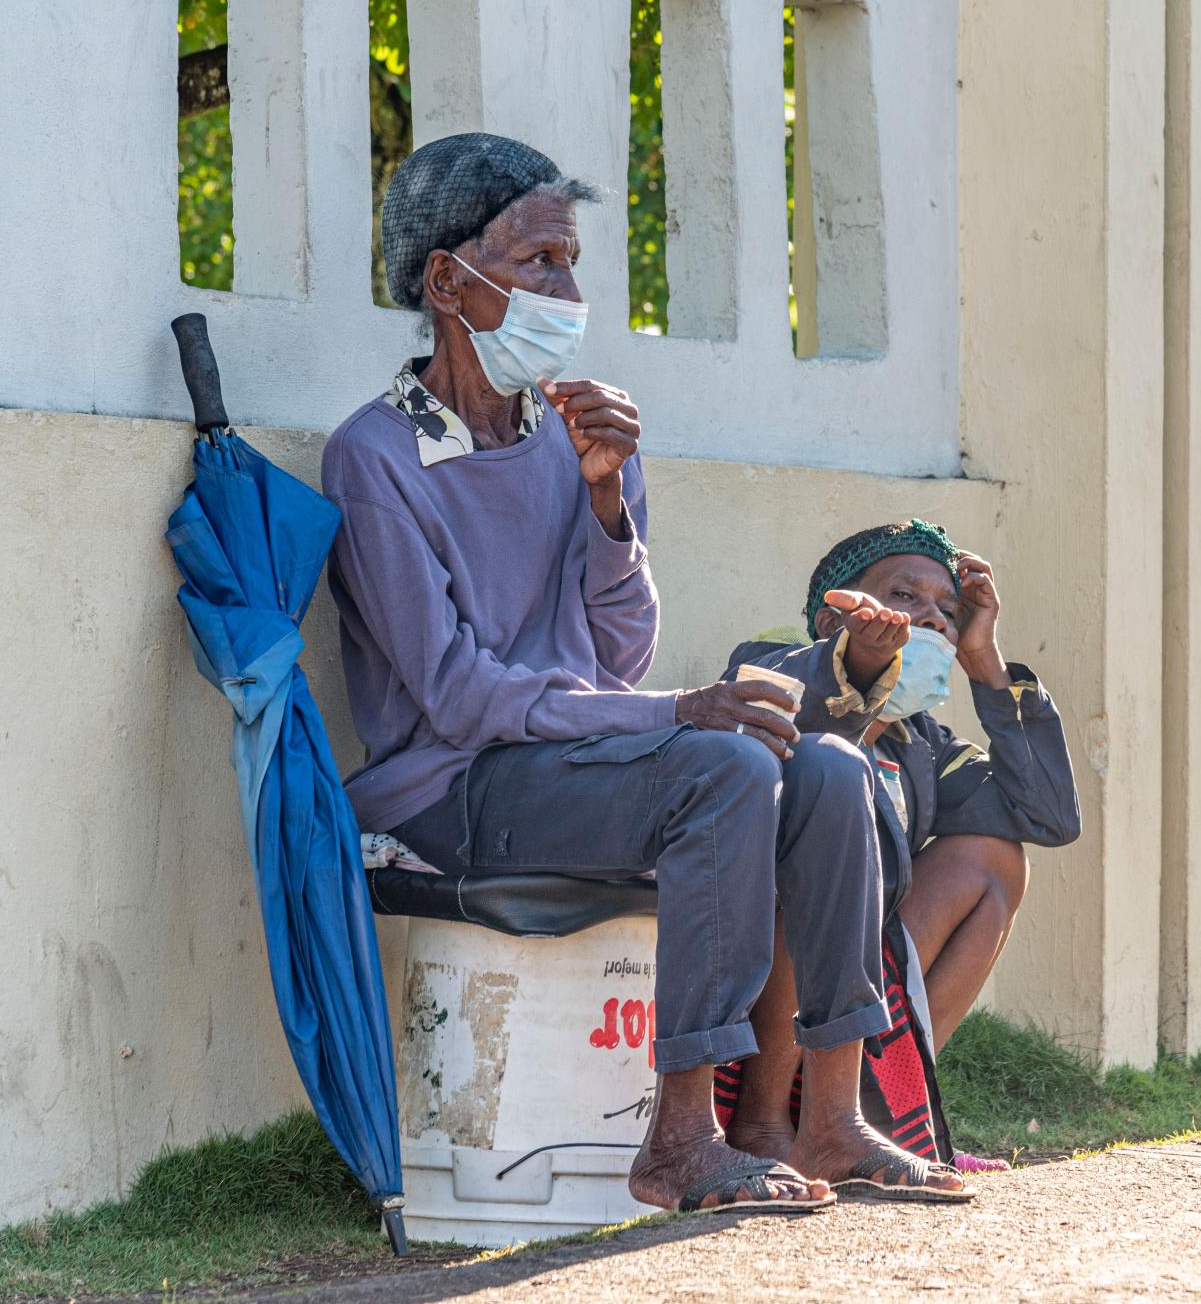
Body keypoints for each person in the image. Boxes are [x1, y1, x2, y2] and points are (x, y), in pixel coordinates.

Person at [322, 133, 970, 1212]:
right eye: (539, 263)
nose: (568, 292)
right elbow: (457, 696)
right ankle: (679, 1137)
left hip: (579, 765)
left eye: (572, 263)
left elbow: (610, 651)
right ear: (447, 279)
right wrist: (682, 710)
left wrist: (611, 504)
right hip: (451, 787)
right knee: (722, 765)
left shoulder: (571, 434)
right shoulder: (374, 456)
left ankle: (822, 1122)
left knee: (825, 773)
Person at [719, 522, 1081, 1171]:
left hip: (860, 984)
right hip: (767, 974)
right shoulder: (774, 669)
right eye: (906, 595)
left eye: (947, 610)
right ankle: (764, 1122)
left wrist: (984, 660)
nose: (932, 621)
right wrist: (857, 679)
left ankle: (883, 1112)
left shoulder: (921, 745)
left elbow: (1048, 815)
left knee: (997, 860)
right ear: (836, 615)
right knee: (808, 865)